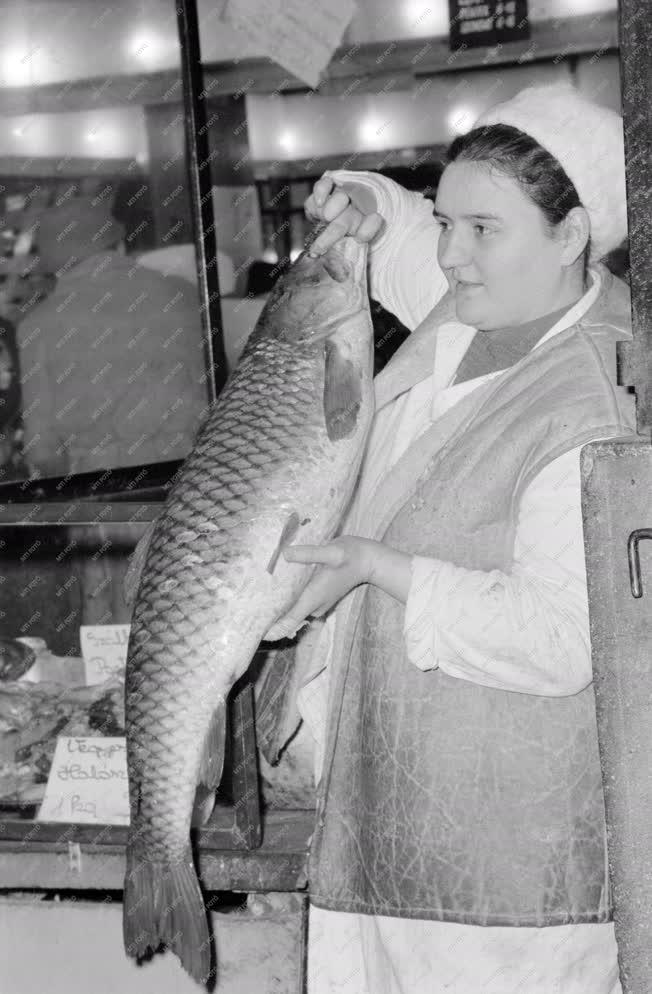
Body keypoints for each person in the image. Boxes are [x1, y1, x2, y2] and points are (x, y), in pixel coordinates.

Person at [267, 82, 635, 994]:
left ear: (574, 232)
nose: (451, 255)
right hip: (388, 818)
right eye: (445, 224)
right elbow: (405, 238)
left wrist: (373, 567)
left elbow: (562, 638)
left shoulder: (601, 400)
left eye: (481, 230)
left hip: (506, 878)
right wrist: (365, 200)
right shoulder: (490, 307)